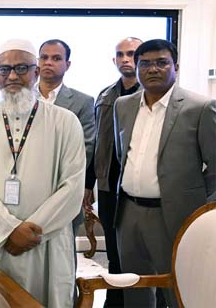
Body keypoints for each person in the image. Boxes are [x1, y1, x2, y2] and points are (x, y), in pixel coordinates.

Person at [0, 39, 85, 307]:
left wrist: (31, 232)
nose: (12, 76)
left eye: (21, 68)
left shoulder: (65, 122)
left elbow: (72, 187)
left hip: (46, 242)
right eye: (4, 70)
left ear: (36, 72)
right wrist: (9, 230)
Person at [114, 39, 216, 307]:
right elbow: (122, 155)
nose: (153, 69)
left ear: (176, 67)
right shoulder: (122, 106)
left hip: (175, 214)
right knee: (133, 288)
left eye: (162, 62)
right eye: (145, 64)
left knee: (179, 289)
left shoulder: (200, 107)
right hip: (129, 213)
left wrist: (201, 212)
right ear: (137, 68)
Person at [84, 36, 142, 307]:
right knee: (114, 251)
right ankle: (115, 301)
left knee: (141, 252)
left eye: (131, 53)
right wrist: (88, 184)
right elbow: (97, 143)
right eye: (120, 54)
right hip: (108, 185)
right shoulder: (105, 96)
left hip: (139, 187)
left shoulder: (152, 94)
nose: (125, 59)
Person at [37, 39, 95, 231]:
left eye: (56, 58)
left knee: (62, 245)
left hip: (63, 189)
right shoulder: (22, 98)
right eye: (44, 57)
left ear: (67, 64)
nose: (48, 62)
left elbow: (85, 148)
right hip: (23, 189)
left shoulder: (82, 102)